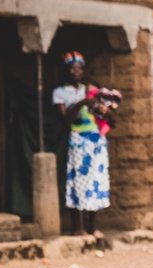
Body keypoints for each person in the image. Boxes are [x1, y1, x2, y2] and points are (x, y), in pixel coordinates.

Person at [46, 51, 117, 239]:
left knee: (95, 182)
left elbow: (111, 119)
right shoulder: (60, 92)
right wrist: (83, 102)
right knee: (77, 182)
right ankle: (78, 227)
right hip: (77, 140)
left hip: (96, 141)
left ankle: (92, 227)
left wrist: (103, 108)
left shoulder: (93, 89)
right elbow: (66, 118)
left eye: (78, 68)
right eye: (71, 68)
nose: (75, 72)